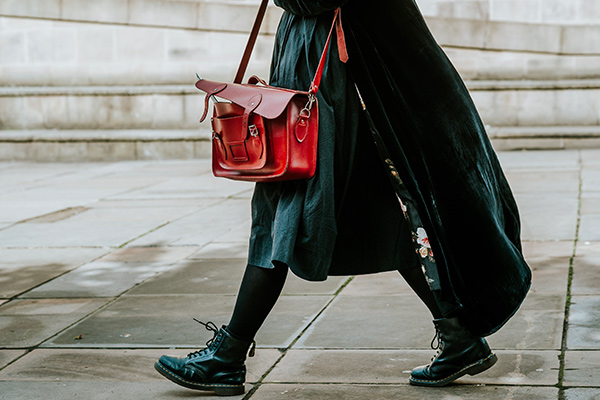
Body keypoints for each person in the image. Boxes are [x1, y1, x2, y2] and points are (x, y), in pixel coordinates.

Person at [154, 0, 532, 395]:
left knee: (284, 212)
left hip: (337, 84)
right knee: (386, 214)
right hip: (340, 77)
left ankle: (227, 358)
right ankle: (459, 337)